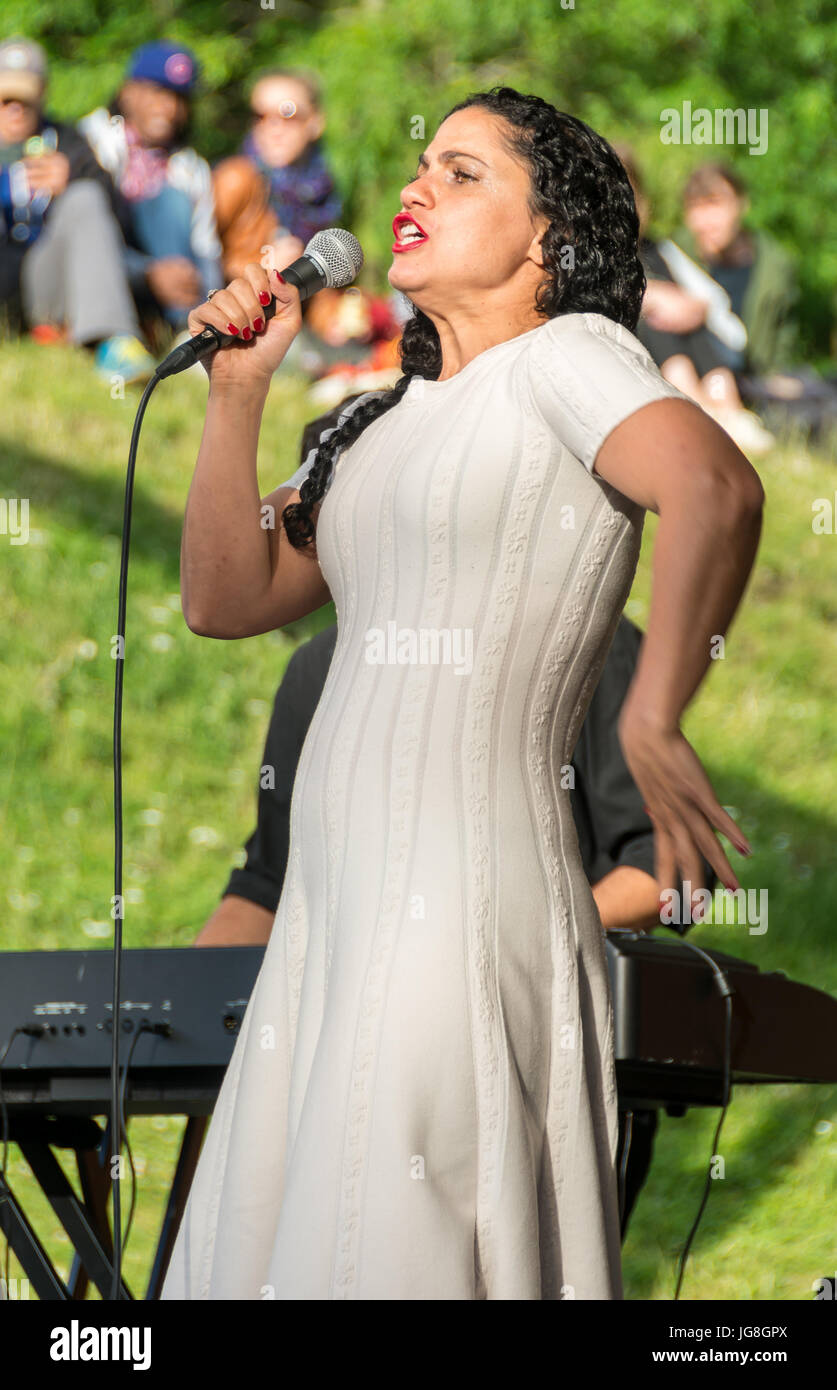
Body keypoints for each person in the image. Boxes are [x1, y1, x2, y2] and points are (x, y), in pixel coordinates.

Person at [161, 87, 763, 1301]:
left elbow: (717, 485)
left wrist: (652, 711)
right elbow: (224, 597)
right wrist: (239, 394)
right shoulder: (383, 421)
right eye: (418, 162)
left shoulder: (567, 359)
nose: (416, 186)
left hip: (456, 908)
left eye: (465, 170)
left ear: (548, 241)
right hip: (333, 926)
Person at [0, 36, 156, 381]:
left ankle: (114, 341)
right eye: (6, 99)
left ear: (41, 95)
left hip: (44, 285)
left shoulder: (67, 142)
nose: (15, 109)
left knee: (85, 196)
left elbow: (119, 223)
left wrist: (71, 178)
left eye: (24, 99)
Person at [615, 146, 775, 457]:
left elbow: (706, 300)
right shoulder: (586, 252)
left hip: (702, 351)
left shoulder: (656, 251)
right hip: (641, 355)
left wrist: (692, 307)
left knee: (681, 317)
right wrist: (650, 297)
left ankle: (728, 410)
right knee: (658, 318)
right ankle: (702, 412)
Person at [79, 41, 223, 352]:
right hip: (106, 273)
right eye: (158, 92)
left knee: (172, 200)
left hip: (169, 289)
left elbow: (206, 251)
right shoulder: (93, 141)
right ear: (128, 92)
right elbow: (85, 235)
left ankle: (190, 334)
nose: (168, 108)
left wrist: (213, 305)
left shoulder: (190, 168)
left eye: (178, 99)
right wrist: (147, 273)